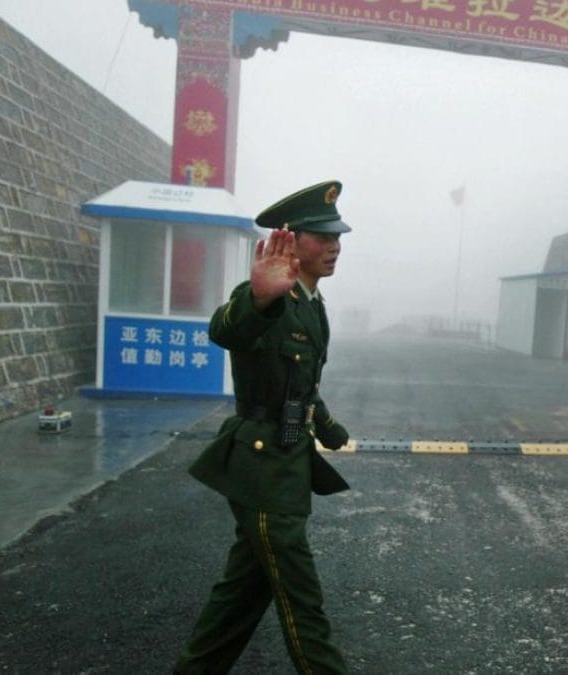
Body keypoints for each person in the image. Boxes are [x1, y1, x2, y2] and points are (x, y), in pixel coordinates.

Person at [175, 180, 355, 674]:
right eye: (322, 236)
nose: (334, 245)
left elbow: (299, 383)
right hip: (261, 465)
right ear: (291, 240)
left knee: (242, 594)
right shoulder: (267, 296)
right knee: (302, 600)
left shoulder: (311, 304)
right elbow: (226, 330)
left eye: (337, 236)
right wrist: (258, 298)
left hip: (288, 460)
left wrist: (327, 424)